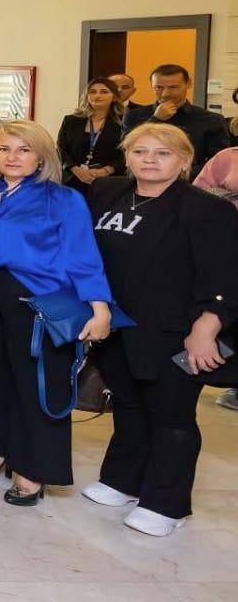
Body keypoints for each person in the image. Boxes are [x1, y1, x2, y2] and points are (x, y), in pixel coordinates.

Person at [0, 120, 113, 506]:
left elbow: (83, 256)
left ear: (41, 157)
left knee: (35, 385)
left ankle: (32, 468)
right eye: (4, 149)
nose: (12, 157)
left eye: (23, 150)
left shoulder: (63, 199)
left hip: (35, 301)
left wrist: (100, 309)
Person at [85, 123, 238, 534]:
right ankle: (122, 480)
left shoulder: (207, 209)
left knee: (171, 415)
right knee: (129, 405)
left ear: (185, 161)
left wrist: (207, 326)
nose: (149, 160)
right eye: (140, 151)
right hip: (116, 324)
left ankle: (166, 505)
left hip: (176, 330)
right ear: (127, 156)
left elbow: (225, 275)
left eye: (162, 153)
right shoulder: (107, 192)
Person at [122, 63, 230, 177]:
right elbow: (127, 149)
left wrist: (181, 174)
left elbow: (219, 160)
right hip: (143, 179)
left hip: (191, 181)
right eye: (159, 88)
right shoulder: (134, 115)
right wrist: (155, 119)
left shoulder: (211, 119)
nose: (166, 94)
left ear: (188, 84)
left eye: (173, 87)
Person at [58, 77, 126, 194]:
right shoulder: (71, 120)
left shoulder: (124, 122)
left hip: (109, 182)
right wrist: (76, 170)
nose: (97, 96)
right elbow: (61, 149)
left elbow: (126, 152)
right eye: (92, 92)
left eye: (104, 92)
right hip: (72, 180)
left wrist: (105, 171)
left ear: (114, 97)